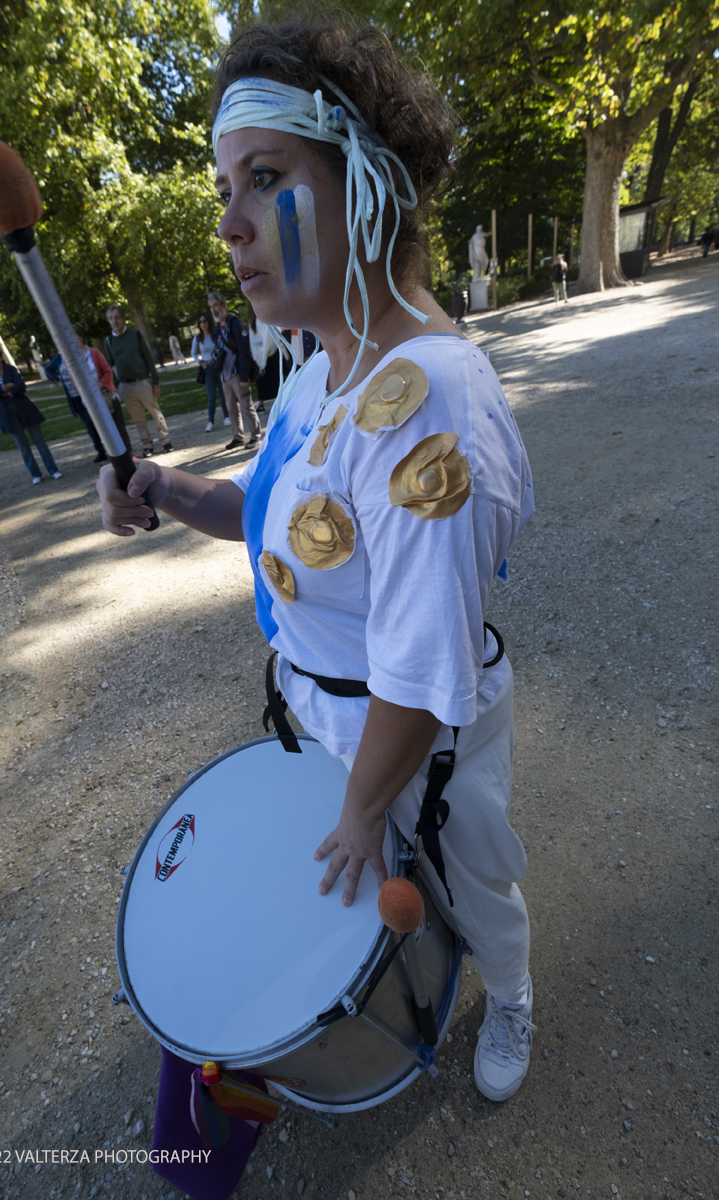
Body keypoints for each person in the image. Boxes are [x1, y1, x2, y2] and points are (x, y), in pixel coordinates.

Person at [97, 17, 536, 1104]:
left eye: (265, 179)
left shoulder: (425, 400)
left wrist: (357, 812)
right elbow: (268, 516)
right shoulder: (323, 361)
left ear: (365, 183)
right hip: (330, 719)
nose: (230, 226)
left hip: (417, 737)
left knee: (470, 880)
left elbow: (425, 673)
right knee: (380, 887)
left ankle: (513, 996)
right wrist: (165, 487)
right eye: (225, 191)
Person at [48, 327, 132, 462]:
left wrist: (99, 385)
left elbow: (108, 373)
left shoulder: (94, 352)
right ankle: (116, 457)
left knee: (118, 427)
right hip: (90, 400)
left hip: (107, 395)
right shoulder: (71, 359)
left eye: (73, 335)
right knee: (103, 430)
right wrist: (87, 390)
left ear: (81, 336)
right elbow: (72, 378)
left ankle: (129, 453)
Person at [0, 342, 62, 484]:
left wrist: (7, 390)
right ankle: (35, 474)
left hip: (24, 408)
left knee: (40, 442)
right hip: (7, 412)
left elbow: (21, 386)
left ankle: (53, 470)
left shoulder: (11, 369)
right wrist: (7, 387)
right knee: (23, 447)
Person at [103, 305, 173, 457]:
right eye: (110, 318)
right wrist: (116, 386)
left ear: (123, 319)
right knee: (138, 418)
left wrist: (155, 382)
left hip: (143, 381)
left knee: (156, 413)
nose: (114, 321)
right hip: (125, 386)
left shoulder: (136, 335)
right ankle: (147, 445)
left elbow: (149, 359)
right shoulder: (108, 341)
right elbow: (111, 365)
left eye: (116, 317)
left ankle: (165, 440)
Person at [207, 292, 261, 450]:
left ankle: (255, 435)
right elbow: (219, 349)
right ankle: (237, 436)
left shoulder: (235, 323)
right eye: (211, 307)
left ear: (224, 305)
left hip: (238, 374)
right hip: (225, 376)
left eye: (216, 305)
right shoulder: (218, 328)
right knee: (231, 409)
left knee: (246, 406)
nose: (214, 310)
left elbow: (244, 352)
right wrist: (215, 356)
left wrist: (244, 376)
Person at [191, 312, 230, 432]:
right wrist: (200, 362)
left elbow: (221, 347)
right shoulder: (198, 338)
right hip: (207, 369)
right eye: (200, 322)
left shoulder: (215, 334)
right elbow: (193, 353)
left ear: (209, 322)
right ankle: (210, 422)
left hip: (218, 366)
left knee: (223, 393)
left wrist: (217, 358)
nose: (203, 324)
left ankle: (226, 417)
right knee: (211, 396)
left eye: (205, 321)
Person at [248, 313, 279, 413]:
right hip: (259, 358)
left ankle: (278, 403)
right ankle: (261, 404)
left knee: (275, 380)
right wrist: (258, 353)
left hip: (272, 354)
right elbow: (253, 342)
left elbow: (273, 338)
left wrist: (266, 348)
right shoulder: (252, 325)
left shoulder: (269, 322)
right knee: (260, 381)